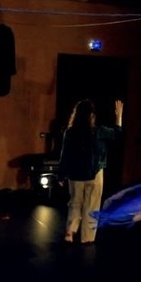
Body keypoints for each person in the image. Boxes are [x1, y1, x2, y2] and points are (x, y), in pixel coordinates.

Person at [58, 98, 123, 243]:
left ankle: (70, 232)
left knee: (75, 203)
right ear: (92, 115)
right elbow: (117, 134)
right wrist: (119, 116)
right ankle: (87, 237)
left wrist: (61, 175)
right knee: (92, 205)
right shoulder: (99, 131)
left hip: (75, 175)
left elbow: (65, 155)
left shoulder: (70, 133)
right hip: (95, 174)